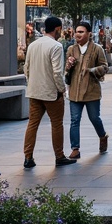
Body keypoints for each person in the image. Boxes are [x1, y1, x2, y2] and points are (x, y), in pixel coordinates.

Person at [22, 15, 76, 169]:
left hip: (34, 91)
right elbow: (57, 72)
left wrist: (31, 82)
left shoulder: (33, 45)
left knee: (32, 124)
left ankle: (28, 158)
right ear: (58, 29)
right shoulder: (56, 46)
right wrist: (61, 89)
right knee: (57, 124)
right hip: (51, 93)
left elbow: (26, 68)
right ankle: (59, 156)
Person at [64, 21, 109, 159]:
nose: (78, 34)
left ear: (89, 34)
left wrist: (92, 70)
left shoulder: (97, 49)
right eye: (76, 31)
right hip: (74, 92)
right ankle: (75, 148)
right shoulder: (71, 49)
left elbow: (105, 67)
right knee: (74, 120)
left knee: (94, 118)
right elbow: (66, 69)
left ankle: (103, 136)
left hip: (91, 91)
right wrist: (68, 65)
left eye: (81, 32)